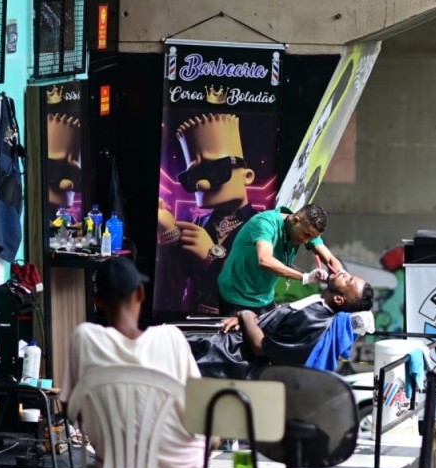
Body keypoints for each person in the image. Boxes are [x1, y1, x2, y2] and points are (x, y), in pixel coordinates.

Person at [60, 256, 207, 468]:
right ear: (140, 293)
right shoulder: (172, 339)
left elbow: (69, 409)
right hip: (176, 465)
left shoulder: (84, 338)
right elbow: (200, 407)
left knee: (151, 445)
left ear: (98, 300)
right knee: (169, 459)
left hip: (115, 459)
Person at [154, 113, 258, 317]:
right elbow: (174, 281)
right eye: (193, 177)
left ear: (247, 176)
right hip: (192, 318)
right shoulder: (200, 221)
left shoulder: (259, 225)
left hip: (234, 321)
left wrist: (212, 256)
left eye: (216, 171)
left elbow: (254, 284)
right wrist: (168, 234)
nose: (203, 184)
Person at [192, 271, 375, 379]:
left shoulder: (314, 320)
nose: (345, 274)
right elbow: (277, 322)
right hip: (225, 341)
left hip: (228, 356)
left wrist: (246, 314)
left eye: (348, 280)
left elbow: (260, 347)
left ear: (338, 298)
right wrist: (252, 320)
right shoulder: (317, 304)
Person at [216, 204, 343, 316]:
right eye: (306, 235)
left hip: (264, 298)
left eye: (312, 238)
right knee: (241, 341)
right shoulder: (265, 223)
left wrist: (341, 275)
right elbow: (264, 260)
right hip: (236, 296)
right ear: (295, 220)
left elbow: (331, 259)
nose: (306, 241)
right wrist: (305, 277)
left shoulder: (307, 230)